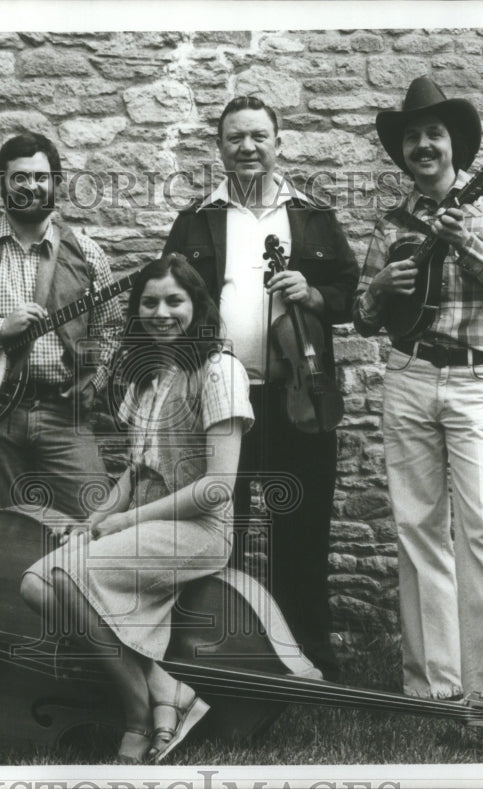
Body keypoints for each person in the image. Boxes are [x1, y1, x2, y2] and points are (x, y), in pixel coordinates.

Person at [20, 254, 255, 763]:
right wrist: (96, 519)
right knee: (36, 583)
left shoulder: (220, 370)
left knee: (69, 577)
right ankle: (165, 685)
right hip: (141, 524)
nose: (161, 311)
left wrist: (124, 522)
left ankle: (136, 715)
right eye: (149, 301)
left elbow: (217, 488)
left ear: (198, 306)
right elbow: (135, 470)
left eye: (175, 300)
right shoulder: (148, 377)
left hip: (198, 529)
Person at [353, 76, 483, 702]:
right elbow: (364, 316)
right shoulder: (393, 219)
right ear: (403, 151)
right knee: (418, 529)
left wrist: (472, 248)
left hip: (475, 378)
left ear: (454, 143)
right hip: (407, 378)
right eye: (413, 138)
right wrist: (378, 291)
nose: (423, 146)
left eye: (434, 134)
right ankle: (435, 688)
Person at [162, 96, 359, 676]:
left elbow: (353, 296)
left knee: (301, 531)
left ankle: (308, 660)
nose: (247, 147)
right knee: (220, 532)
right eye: (235, 138)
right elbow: (166, 302)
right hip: (223, 402)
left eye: (258, 136)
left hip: (297, 399)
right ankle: (223, 659)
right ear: (220, 148)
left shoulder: (314, 218)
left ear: (279, 143)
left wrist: (316, 295)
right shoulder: (196, 219)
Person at [0, 133, 120, 519]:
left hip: (64, 414)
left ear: (56, 183)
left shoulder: (86, 252)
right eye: (19, 178)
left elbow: (110, 328)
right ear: (2, 185)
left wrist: (94, 381)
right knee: (0, 534)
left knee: (94, 520)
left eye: (41, 177)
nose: (31, 186)